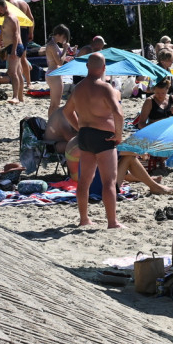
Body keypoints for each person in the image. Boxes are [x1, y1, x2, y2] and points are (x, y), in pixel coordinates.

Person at [62, 53, 124, 228]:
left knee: (84, 181)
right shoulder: (105, 88)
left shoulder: (78, 88)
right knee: (108, 182)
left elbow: (67, 111)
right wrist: (119, 135)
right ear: (104, 68)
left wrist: (79, 127)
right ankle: (112, 222)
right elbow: (118, 113)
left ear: (87, 67)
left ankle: (84, 219)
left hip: (85, 136)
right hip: (103, 137)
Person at [1, 0, 34, 86]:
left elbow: (8, 20)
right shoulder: (24, 3)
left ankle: (19, 82)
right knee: (23, 57)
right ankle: (28, 83)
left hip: (15, 31)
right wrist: (31, 32)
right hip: (24, 30)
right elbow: (31, 19)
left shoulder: (9, 4)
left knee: (16, 57)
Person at [0, 0, 25, 104]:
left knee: (13, 73)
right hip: (11, 46)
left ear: (5, 7)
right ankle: (20, 97)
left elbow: (16, 34)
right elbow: (4, 30)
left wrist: (13, 51)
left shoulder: (11, 18)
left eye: (0, 9)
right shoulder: (6, 18)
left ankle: (15, 97)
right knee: (18, 73)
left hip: (14, 47)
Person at [44, 24, 74, 117]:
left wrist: (67, 55)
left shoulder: (52, 44)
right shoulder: (52, 45)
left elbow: (58, 59)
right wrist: (65, 49)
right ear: (59, 35)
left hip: (52, 73)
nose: (64, 39)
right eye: (64, 37)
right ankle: (53, 125)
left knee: (53, 104)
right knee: (56, 105)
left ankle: (50, 124)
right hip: (54, 75)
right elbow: (60, 62)